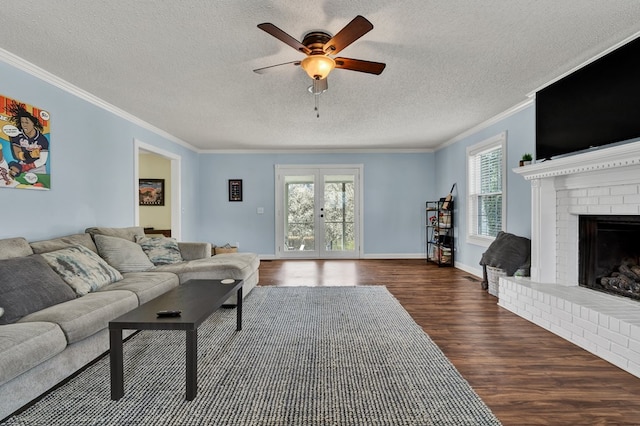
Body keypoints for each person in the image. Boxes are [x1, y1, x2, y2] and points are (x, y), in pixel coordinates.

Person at [7, 102, 49, 174]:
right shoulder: (16, 136)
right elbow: (18, 155)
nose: (24, 125)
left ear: (33, 123)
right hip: (23, 166)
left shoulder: (43, 140)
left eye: (27, 122)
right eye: (22, 122)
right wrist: (30, 155)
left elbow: (43, 160)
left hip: (39, 167)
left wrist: (30, 166)